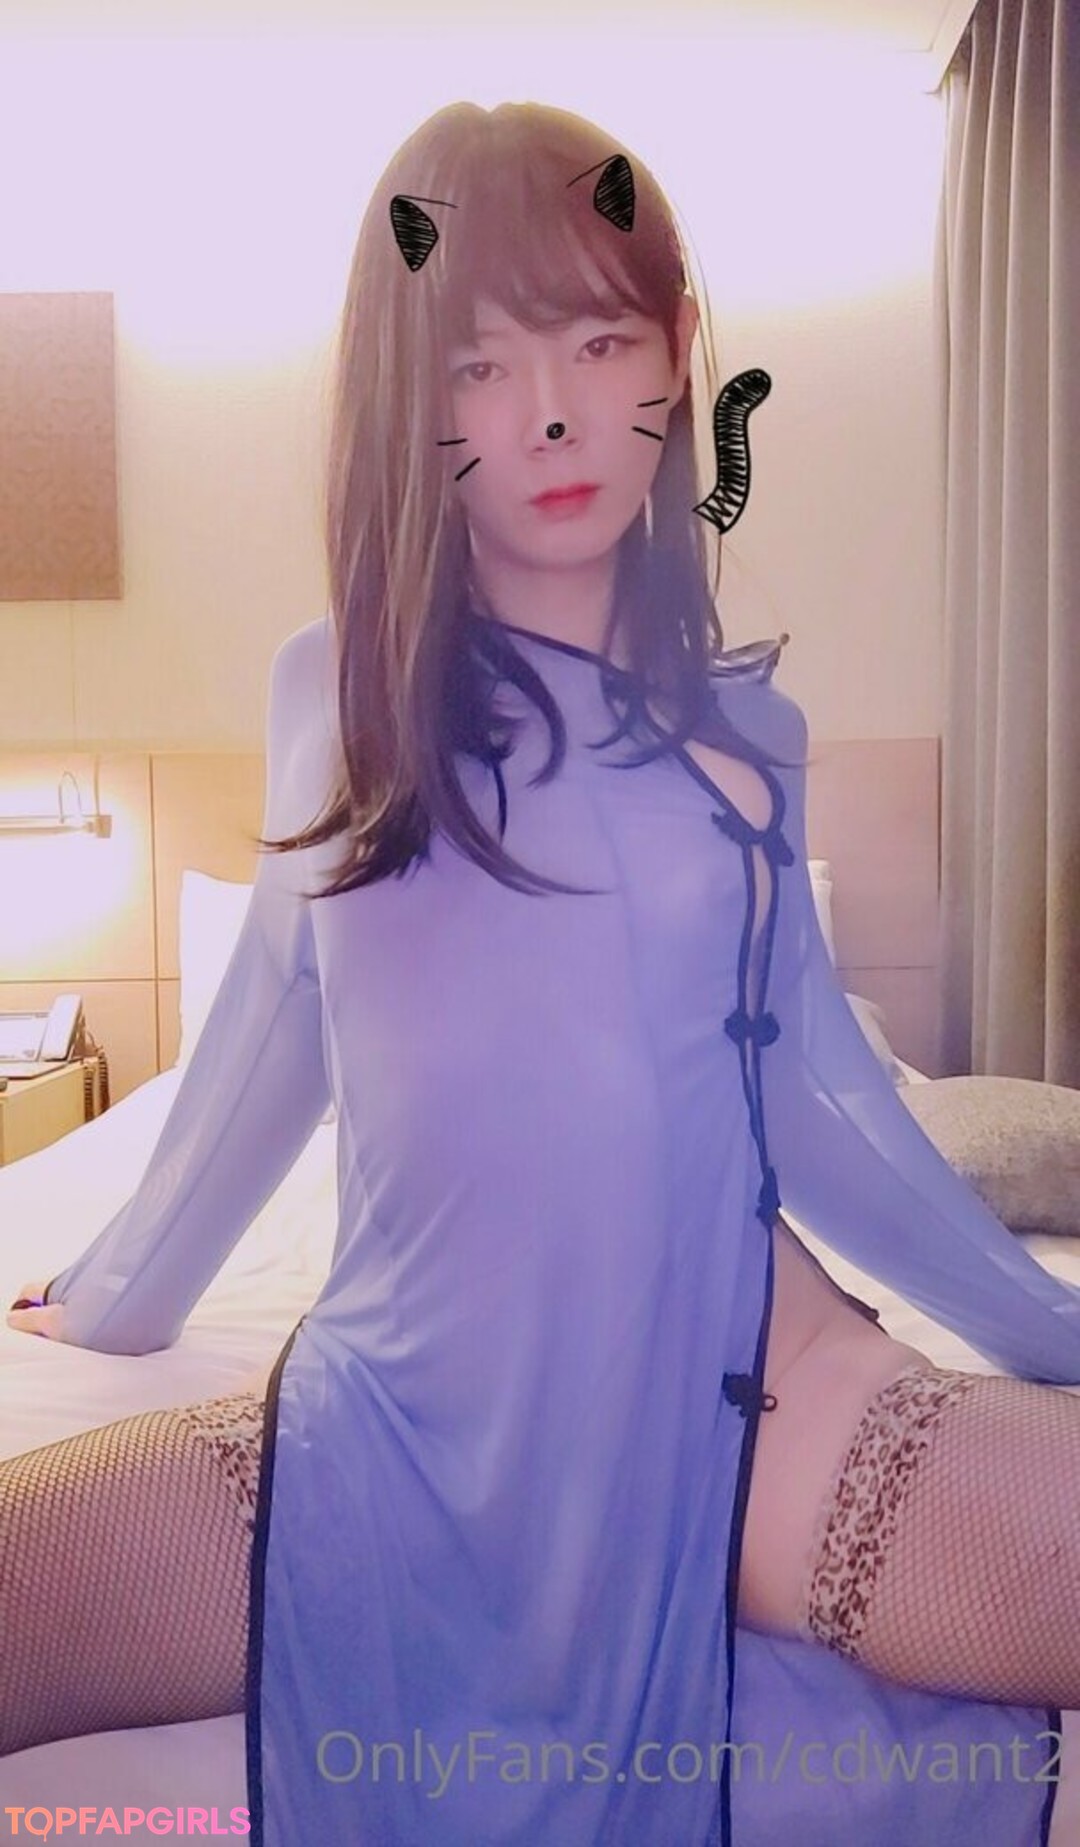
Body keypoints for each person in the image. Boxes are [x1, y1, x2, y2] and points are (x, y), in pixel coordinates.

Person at [5, 99, 1080, 1847]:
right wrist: (122, 1292)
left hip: (757, 1409)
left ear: (675, 350)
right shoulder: (333, 692)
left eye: (598, 342)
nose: (556, 416)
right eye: (483, 364)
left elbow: (821, 1100)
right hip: (390, 1430)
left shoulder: (751, 744)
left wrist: (1054, 1327)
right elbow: (271, 1027)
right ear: (410, 402)